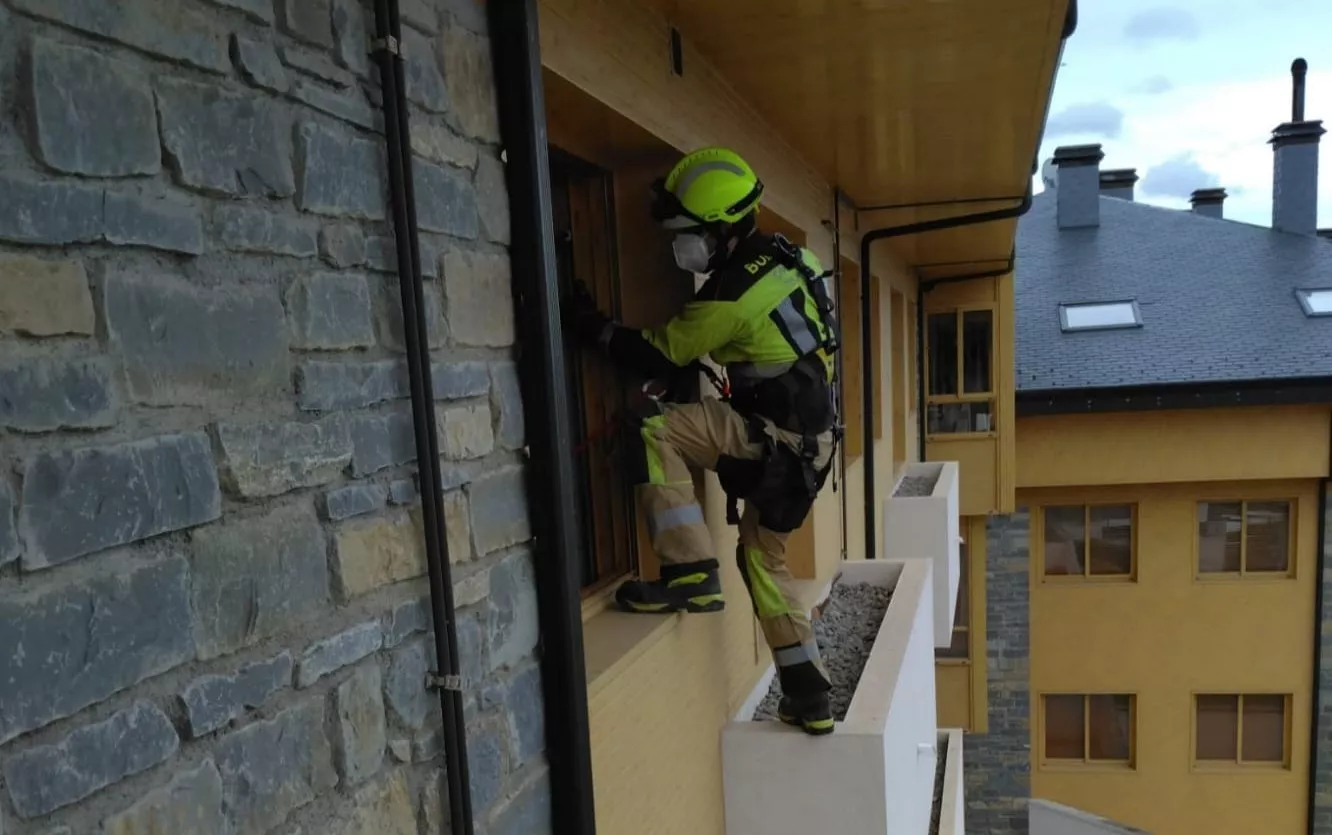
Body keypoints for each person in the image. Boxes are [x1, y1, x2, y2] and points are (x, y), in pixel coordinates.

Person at [563, 147, 843, 735]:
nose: (679, 245)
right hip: (811, 444)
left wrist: (590, 324)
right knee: (762, 556)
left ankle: (689, 573)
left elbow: (658, 351)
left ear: (719, 229)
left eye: (687, 233)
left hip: (774, 441)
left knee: (653, 427)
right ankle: (809, 697)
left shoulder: (733, 295)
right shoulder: (797, 259)